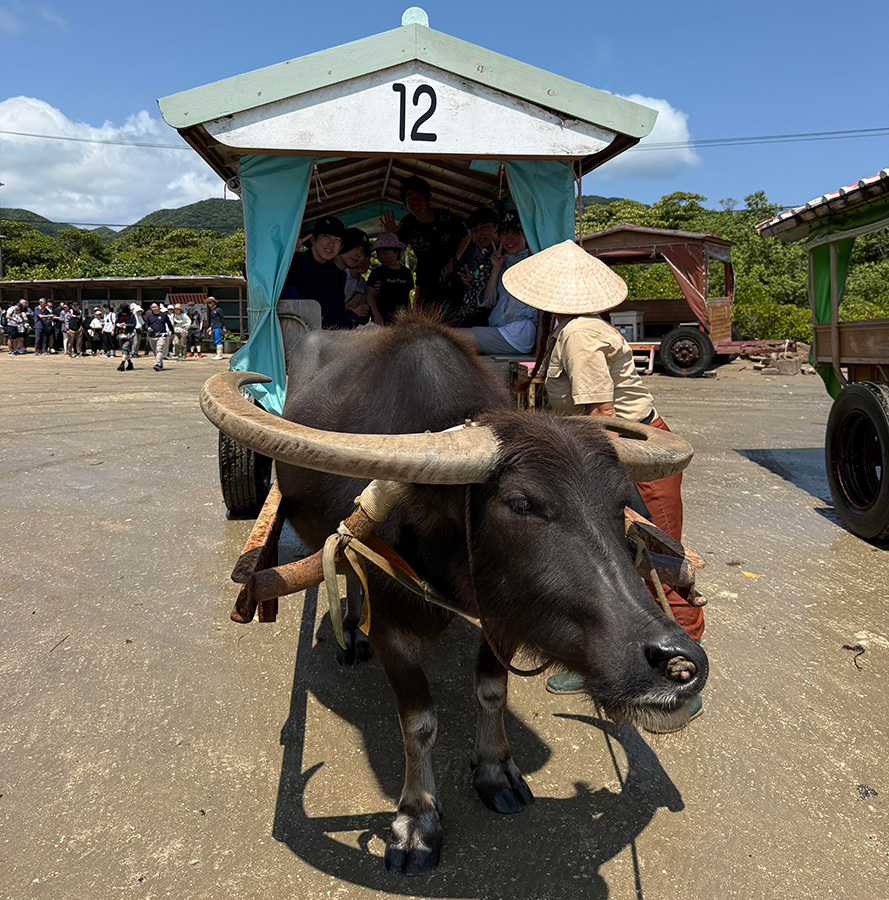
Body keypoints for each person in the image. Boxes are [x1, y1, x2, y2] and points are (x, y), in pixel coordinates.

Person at [501, 240, 705, 731]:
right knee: (613, 564)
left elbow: (601, 416)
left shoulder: (579, 334)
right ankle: (610, 661)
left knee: (660, 562)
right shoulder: (568, 330)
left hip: (633, 458)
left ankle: (685, 680)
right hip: (609, 453)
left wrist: (599, 488)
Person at [453, 211, 538, 355]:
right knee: (443, 335)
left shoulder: (534, 262)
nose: (509, 238)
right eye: (504, 233)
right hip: (500, 330)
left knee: (444, 336)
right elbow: (488, 302)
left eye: (516, 232)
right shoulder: (503, 263)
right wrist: (496, 269)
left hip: (517, 334)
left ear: (526, 234)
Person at [381, 175, 468, 311]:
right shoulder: (407, 223)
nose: (415, 202)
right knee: (426, 319)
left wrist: (453, 261)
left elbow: (465, 238)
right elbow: (396, 253)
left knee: (453, 316)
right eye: (410, 198)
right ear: (405, 203)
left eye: (419, 197)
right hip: (425, 280)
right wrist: (392, 235)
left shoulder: (445, 218)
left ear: (428, 199)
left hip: (451, 277)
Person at [282, 216, 366, 329]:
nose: (331, 244)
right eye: (326, 236)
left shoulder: (335, 275)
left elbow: (337, 314)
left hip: (320, 335)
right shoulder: (292, 263)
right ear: (313, 240)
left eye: (337, 240)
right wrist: (285, 256)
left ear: (341, 247)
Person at [453, 206, 498, 327]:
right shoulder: (488, 256)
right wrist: (473, 282)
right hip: (468, 314)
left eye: (484, 228)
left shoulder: (503, 256)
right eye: (474, 230)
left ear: (496, 227)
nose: (479, 234)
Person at [366, 232, 414, 324]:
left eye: (386, 253)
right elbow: (369, 296)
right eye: (378, 253)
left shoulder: (406, 273)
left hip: (401, 321)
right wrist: (376, 315)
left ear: (397, 252)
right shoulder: (377, 272)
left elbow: (407, 298)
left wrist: (409, 316)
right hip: (381, 319)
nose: (381, 256)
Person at [336, 229, 372, 325]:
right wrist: (353, 313)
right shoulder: (332, 276)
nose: (359, 255)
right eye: (354, 247)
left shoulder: (363, 283)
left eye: (363, 252)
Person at [143, 302, 173, 371]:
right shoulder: (150, 316)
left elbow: (169, 324)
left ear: (159, 307)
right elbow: (146, 325)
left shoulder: (163, 315)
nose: (154, 309)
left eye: (155, 307)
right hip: (152, 336)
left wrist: (172, 332)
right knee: (155, 352)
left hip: (161, 335)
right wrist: (148, 328)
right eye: (152, 307)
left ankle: (157, 364)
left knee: (159, 349)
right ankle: (160, 364)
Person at [115, 304, 135, 371]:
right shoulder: (119, 315)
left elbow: (133, 325)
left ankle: (122, 363)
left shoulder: (131, 316)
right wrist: (118, 325)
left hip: (129, 334)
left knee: (125, 348)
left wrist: (126, 325)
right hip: (121, 333)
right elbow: (116, 322)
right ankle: (130, 363)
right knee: (125, 350)